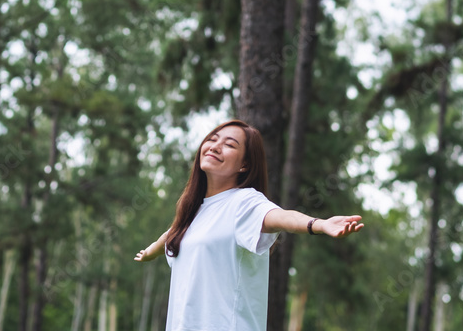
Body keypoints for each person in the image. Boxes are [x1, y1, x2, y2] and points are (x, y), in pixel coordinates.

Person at [133, 119, 364, 331]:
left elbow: (280, 217)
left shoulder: (244, 202)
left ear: (244, 165)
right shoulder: (193, 214)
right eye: (212, 139)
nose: (215, 146)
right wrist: (151, 251)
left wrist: (318, 224)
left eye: (229, 145)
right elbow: (171, 234)